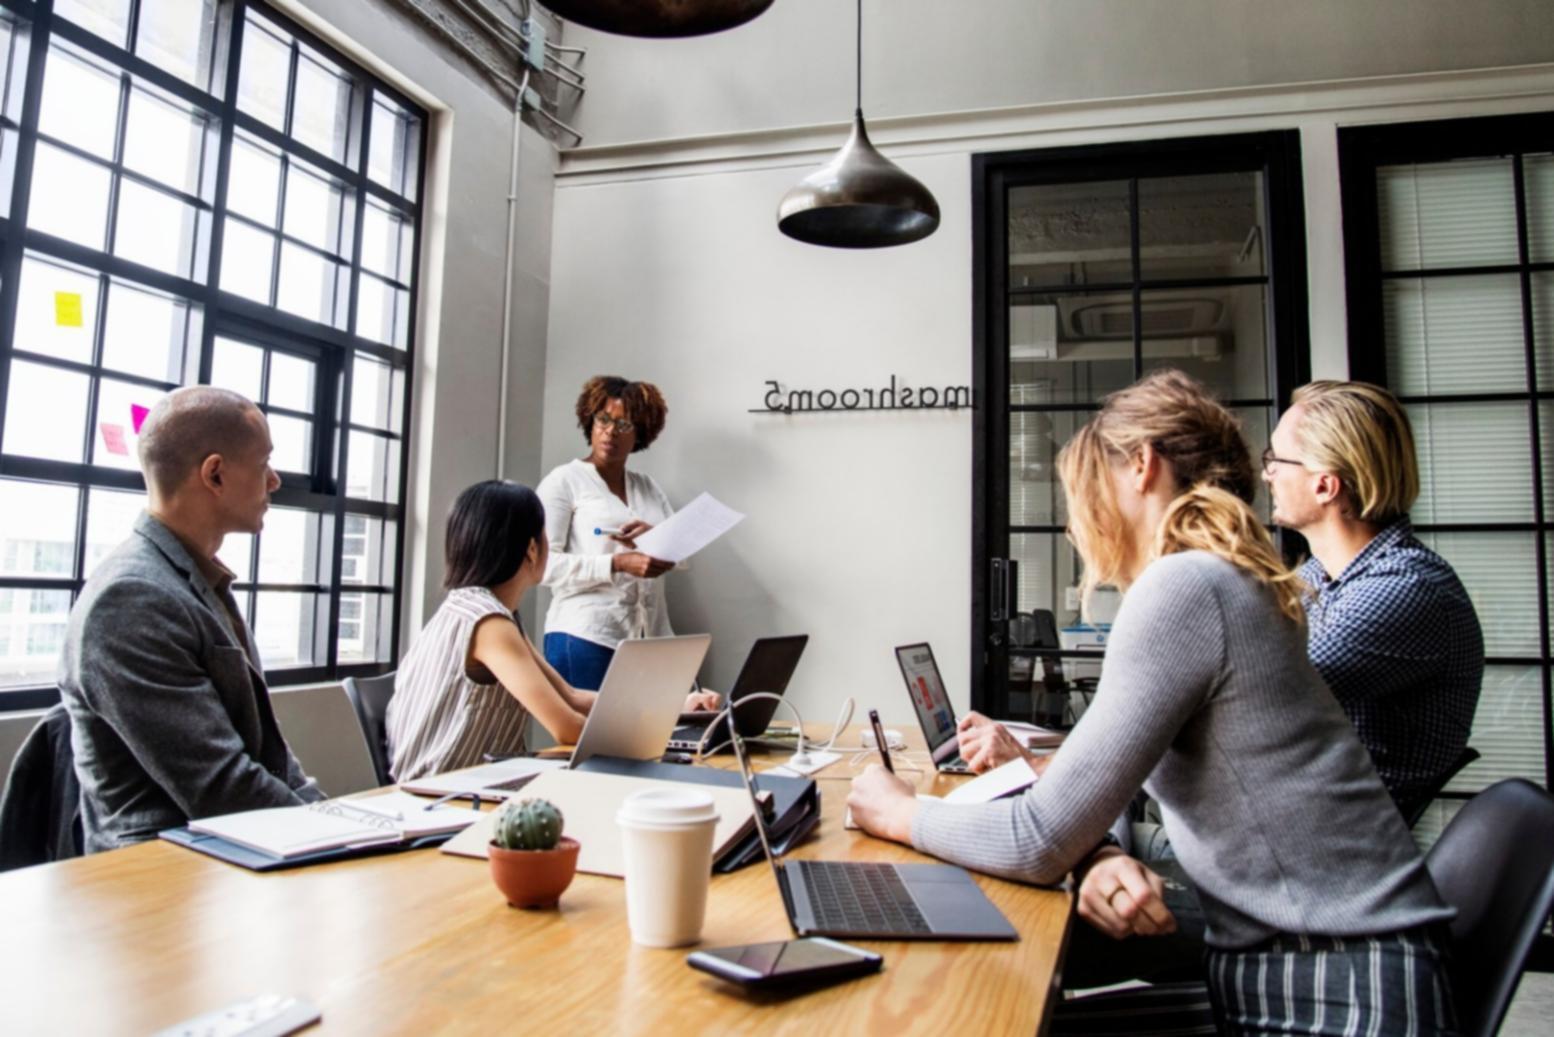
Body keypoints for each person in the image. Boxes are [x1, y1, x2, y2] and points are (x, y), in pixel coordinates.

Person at [847, 371, 1458, 1034]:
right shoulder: (1224, 575)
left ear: (1141, 466)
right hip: (1316, 970)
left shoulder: (1187, 586)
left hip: (1335, 991)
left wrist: (900, 810)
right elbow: (1073, 815)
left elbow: (1039, 838)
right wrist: (1100, 851)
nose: (1079, 520)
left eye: (1085, 491)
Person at [57, 387, 323, 852]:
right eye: (264, 465)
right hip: (163, 881)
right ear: (215, 474)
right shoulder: (131, 599)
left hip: (230, 857)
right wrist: (336, 835)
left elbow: (271, 760)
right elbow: (221, 788)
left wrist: (332, 816)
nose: (275, 481)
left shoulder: (193, 580)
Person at [386, 480, 717, 782]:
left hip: (464, 783)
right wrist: (661, 740)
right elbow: (567, 728)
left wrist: (677, 705)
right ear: (532, 549)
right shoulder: (488, 623)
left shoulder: (488, 612)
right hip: (440, 794)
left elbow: (571, 697)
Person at [1265, 380, 1483, 820]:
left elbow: (1262, 694)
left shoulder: (1405, 588)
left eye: (1276, 459)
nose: (1266, 471)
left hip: (1330, 853)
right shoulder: (1321, 575)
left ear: (1325, 485)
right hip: (1287, 822)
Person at [537, 376, 680, 690]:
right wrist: (617, 563)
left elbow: (680, 555)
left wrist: (653, 537)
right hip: (585, 636)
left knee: (651, 738)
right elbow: (543, 566)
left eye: (624, 425)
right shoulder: (563, 481)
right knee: (592, 740)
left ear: (640, 433)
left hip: (648, 639)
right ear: (590, 420)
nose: (610, 431)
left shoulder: (647, 487)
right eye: (603, 420)